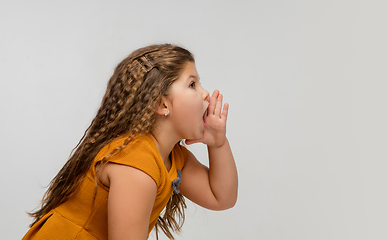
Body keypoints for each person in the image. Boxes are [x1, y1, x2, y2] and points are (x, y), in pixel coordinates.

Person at [23, 44, 238, 240]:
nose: (206, 93)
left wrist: (217, 143)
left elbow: (221, 197)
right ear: (162, 104)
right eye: (192, 84)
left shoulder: (173, 157)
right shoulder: (136, 164)